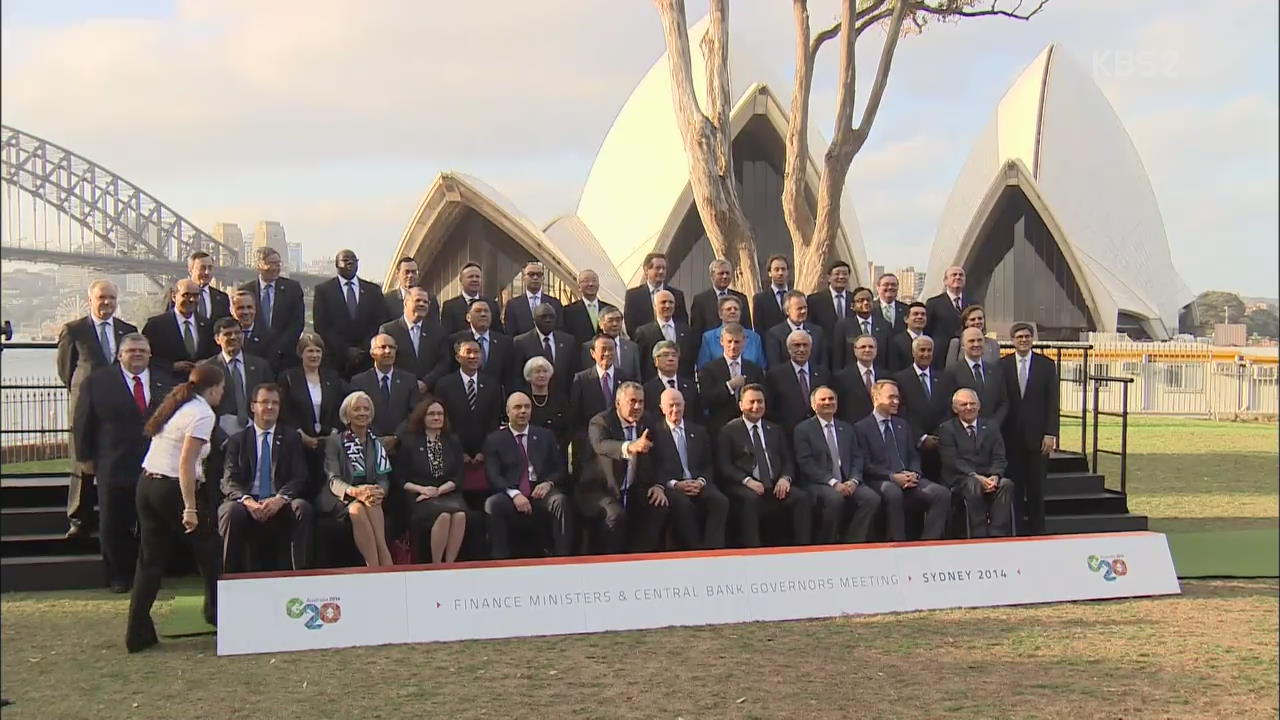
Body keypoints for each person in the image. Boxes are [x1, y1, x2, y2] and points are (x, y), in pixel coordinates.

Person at [126, 363, 224, 653]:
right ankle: (217, 614)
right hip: (170, 487)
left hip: (146, 484)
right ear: (214, 388)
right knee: (209, 550)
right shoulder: (203, 413)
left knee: (150, 560)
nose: (222, 394)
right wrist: (191, 507)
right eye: (221, 389)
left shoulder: (179, 405)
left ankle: (137, 632)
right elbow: (186, 462)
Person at [73, 334, 170, 591]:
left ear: (150, 355)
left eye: (142, 350)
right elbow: (83, 422)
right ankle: (118, 575)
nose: (137, 354)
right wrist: (85, 457)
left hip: (155, 463)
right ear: (120, 355)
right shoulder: (97, 382)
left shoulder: (166, 381)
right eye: (131, 350)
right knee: (113, 522)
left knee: (153, 521)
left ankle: (152, 573)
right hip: (113, 462)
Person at [58, 279, 138, 539]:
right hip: (85, 408)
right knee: (83, 462)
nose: (107, 303)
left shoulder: (128, 330)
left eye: (112, 298)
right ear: (90, 299)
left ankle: (119, 519)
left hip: (118, 409)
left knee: (118, 463)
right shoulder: (74, 330)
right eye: (102, 298)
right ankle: (79, 519)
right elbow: (65, 371)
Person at [218, 383, 314, 572]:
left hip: (279, 500)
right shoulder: (238, 440)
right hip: (247, 502)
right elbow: (229, 480)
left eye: (275, 403)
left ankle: (301, 575)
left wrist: (280, 498)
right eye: (264, 402)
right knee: (230, 511)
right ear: (253, 406)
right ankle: (226, 579)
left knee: (302, 508)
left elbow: (300, 476)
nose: (270, 407)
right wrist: (247, 501)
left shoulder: (291, 438)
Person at [715, 384, 812, 547]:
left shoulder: (774, 429)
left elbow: (788, 459)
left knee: (801, 497)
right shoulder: (729, 430)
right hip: (744, 485)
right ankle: (754, 551)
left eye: (760, 402)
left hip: (774, 484)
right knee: (750, 500)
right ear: (741, 405)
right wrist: (747, 481)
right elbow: (725, 466)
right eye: (751, 402)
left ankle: (802, 549)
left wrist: (785, 479)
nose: (756, 406)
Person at [853, 380, 951, 541]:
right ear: (876, 398)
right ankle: (897, 544)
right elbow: (865, 463)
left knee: (941, 494)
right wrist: (892, 476)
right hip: (880, 479)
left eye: (897, 398)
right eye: (891, 397)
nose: (896, 402)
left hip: (908, 478)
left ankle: (929, 543)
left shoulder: (902, 425)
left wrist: (915, 474)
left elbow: (913, 455)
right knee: (893, 492)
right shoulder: (861, 428)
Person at [483, 392, 573, 558]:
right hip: (511, 491)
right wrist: (514, 494)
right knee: (492, 504)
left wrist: (549, 483)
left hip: (540, 490)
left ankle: (562, 558)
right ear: (508, 411)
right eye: (518, 407)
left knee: (559, 501)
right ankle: (500, 561)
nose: (523, 411)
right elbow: (493, 475)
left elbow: (560, 468)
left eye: (527, 407)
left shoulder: (545, 435)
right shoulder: (495, 440)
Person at [584, 382, 667, 552]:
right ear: (618, 403)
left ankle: (640, 561)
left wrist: (658, 485)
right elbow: (601, 445)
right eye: (632, 401)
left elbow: (660, 457)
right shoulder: (600, 421)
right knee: (616, 516)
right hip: (600, 489)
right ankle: (612, 565)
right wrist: (630, 446)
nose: (637, 407)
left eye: (641, 402)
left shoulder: (648, 421)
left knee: (658, 505)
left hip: (634, 487)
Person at [793, 386, 880, 543]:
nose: (828, 402)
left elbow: (857, 457)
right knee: (835, 499)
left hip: (848, 480)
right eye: (823, 399)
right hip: (819, 482)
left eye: (831, 399)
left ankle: (853, 541)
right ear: (813, 405)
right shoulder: (803, 429)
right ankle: (828, 543)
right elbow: (806, 463)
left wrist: (854, 481)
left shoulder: (847, 428)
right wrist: (833, 482)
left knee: (871, 498)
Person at [321, 391, 394, 567]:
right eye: (357, 409)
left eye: (366, 409)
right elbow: (333, 480)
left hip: (368, 498)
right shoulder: (335, 442)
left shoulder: (377, 443)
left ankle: (383, 554)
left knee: (372, 502)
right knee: (357, 510)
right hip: (341, 497)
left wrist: (380, 491)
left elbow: (383, 478)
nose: (362, 413)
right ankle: (375, 566)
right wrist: (356, 492)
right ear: (347, 415)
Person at [1000, 321, 1059, 535]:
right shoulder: (1003, 365)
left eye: (1027, 336)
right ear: (1012, 340)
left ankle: (1038, 532)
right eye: (1019, 337)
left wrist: (1050, 433)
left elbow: (1052, 402)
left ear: (1032, 339)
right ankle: (1015, 531)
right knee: (1014, 489)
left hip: (1038, 439)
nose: (1023, 340)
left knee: (1036, 489)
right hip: (1011, 437)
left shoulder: (1046, 365)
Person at [651, 388, 728, 549]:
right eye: (671, 405)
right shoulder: (654, 433)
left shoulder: (698, 431)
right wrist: (675, 484)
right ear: (662, 408)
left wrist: (700, 481)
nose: (675, 410)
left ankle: (713, 549)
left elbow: (708, 464)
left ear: (684, 406)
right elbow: (654, 467)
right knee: (683, 505)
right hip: (672, 487)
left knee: (720, 501)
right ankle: (696, 550)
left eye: (678, 405)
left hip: (697, 483)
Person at [397, 397, 468, 563]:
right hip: (419, 494)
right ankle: (437, 564)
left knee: (460, 516)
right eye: (432, 414)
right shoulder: (410, 442)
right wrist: (423, 490)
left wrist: (438, 491)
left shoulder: (452, 441)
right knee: (443, 516)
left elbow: (458, 476)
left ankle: (450, 563)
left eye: (440, 414)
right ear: (423, 417)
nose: (436, 418)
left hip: (447, 492)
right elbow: (401, 478)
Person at [433, 338, 504, 503]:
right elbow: (444, 421)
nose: (473, 356)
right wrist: (459, 451)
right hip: (454, 453)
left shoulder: (492, 384)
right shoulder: (444, 385)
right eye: (468, 352)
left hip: (484, 453)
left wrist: (484, 451)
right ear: (458, 357)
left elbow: (494, 420)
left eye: (477, 352)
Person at [938, 388, 1014, 538]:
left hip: (988, 476)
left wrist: (996, 476)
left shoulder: (991, 427)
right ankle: (978, 532)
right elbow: (951, 460)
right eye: (963, 404)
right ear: (955, 408)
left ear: (979, 406)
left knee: (1006, 484)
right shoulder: (946, 429)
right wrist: (976, 476)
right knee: (973, 484)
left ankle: (996, 532)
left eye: (972, 404)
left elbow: (999, 457)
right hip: (960, 478)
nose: (969, 408)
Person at [278, 332, 348, 492]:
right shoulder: (288, 377)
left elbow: (339, 407)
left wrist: (334, 432)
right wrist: (301, 435)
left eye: (318, 351)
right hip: (298, 443)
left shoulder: (332, 377)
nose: (314, 355)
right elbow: (286, 411)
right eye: (310, 351)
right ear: (300, 353)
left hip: (328, 441)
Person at [313, 249, 389, 378]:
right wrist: (345, 350)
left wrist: (364, 349)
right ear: (337, 265)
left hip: (367, 359)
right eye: (345, 260)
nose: (350, 263)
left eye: (354, 260)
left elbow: (380, 321)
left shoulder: (373, 290)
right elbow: (321, 325)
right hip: (336, 360)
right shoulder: (324, 291)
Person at [349, 333, 422, 451]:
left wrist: (396, 437)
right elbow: (355, 413)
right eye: (383, 347)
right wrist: (379, 439)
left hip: (403, 446)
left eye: (392, 347)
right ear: (372, 353)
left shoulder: (409, 380)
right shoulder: (359, 381)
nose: (388, 351)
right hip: (369, 445)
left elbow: (414, 412)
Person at [892, 335, 948, 483]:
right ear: (913, 352)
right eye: (922, 350)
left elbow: (947, 408)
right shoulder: (900, 378)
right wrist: (921, 437)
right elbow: (901, 410)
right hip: (913, 442)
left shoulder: (943, 377)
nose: (926, 354)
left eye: (929, 350)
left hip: (939, 444)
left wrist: (937, 435)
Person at [240, 246, 305, 369]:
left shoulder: (293, 288)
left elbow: (297, 323)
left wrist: (280, 347)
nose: (276, 268)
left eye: (278, 263)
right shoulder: (246, 290)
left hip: (284, 357)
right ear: (259, 265)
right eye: (271, 263)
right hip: (254, 356)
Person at [569, 334, 621, 478]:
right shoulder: (581, 379)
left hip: (618, 445)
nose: (607, 354)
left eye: (611, 349)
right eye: (603, 349)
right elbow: (575, 416)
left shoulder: (625, 377)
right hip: (590, 445)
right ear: (593, 353)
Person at [379, 287, 450, 393]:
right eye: (417, 300)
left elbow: (444, 362)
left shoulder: (437, 331)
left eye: (425, 302)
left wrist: (426, 383)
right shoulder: (388, 330)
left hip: (430, 392)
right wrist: (409, 383)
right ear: (405, 303)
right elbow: (385, 361)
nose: (422, 304)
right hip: (399, 391)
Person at [142, 278, 215, 380]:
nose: (192, 299)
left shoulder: (208, 325)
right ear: (174, 296)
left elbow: (215, 354)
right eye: (186, 295)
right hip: (168, 386)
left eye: (195, 295)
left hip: (200, 386)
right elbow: (145, 357)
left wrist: (206, 363)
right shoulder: (156, 325)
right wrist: (171, 366)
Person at [698, 323, 765, 432]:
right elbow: (705, 400)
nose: (733, 346)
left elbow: (763, 396)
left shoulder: (754, 369)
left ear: (744, 342)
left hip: (749, 428)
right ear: (721, 342)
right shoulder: (709, 369)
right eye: (729, 341)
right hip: (720, 428)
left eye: (737, 342)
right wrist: (729, 386)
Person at [765, 329, 829, 437]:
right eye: (797, 345)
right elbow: (771, 409)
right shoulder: (775, 376)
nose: (802, 349)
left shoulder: (823, 374)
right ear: (789, 349)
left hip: (818, 434)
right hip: (788, 434)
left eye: (805, 345)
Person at [940, 327, 1009, 427]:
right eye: (971, 341)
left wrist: (993, 424)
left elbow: (1004, 402)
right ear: (963, 346)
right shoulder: (952, 371)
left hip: (992, 432)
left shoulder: (995, 370)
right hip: (963, 432)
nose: (976, 344)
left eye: (979, 340)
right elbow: (947, 405)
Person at [449, 298, 516, 392]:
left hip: (495, 399)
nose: (483, 314)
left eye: (486, 311)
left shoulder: (505, 342)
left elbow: (510, 377)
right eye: (478, 311)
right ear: (468, 317)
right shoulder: (454, 340)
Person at [512, 303, 576, 398]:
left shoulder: (568, 341)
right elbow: (517, 376)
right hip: (533, 399)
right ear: (534, 320)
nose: (548, 320)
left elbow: (572, 372)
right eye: (543, 317)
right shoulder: (521, 342)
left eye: (551, 317)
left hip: (562, 399)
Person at [633, 289, 697, 381]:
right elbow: (641, 363)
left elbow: (690, 360)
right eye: (663, 302)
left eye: (671, 302)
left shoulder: (686, 330)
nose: (667, 305)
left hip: (682, 385)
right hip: (654, 386)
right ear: (654, 306)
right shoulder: (644, 332)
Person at [520, 356, 570, 470]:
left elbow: (568, 426)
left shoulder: (560, 398)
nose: (542, 375)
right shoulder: (522, 398)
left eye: (545, 371)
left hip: (556, 452)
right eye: (537, 372)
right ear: (529, 376)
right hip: (528, 453)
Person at [623, 252, 688, 335]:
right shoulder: (633, 296)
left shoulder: (676, 295)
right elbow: (630, 324)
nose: (661, 271)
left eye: (664, 268)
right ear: (646, 270)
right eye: (657, 268)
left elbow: (682, 322)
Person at [696, 294, 766, 369]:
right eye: (728, 309)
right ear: (720, 314)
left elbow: (761, 367)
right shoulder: (708, 338)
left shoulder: (754, 338)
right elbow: (703, 368)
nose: (733, 311)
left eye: (736, 309)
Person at [831, 286, 892, 370]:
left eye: (869, 300)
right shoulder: (843, 326)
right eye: (861, 300)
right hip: (851, 376)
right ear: (852, 305)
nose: (866, 303)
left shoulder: (884, 325)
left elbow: (890, 356)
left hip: (879, 376)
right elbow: (837, 358)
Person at [690, 258, 752, 339]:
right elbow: (696, 331)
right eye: (721, 273)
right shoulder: (700, 300)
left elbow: (747, 327)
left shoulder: (741, 298)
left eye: (727, 273)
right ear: (712, 276)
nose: (725, 276)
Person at [643, 340, 702, 422]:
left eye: (674, 355)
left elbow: (697, 416)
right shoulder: (648, 389)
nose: (671, 359)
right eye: (665, 355)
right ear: (656, 361)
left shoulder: (690, 387)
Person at [440, 262, 505, 336]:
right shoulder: (450, 306)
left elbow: (499, 333)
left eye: (477, 277)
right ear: (461, 280)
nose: (475, 280)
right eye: (470, 277)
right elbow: (446, 335)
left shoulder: (492, 305)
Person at [766, 291, 826, 369]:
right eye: (799, 308)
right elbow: (774, 366)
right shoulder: (775, 334)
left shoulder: (817, 332)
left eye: (805, 307)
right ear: (787, 311)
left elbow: (823, 364)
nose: (804, 311)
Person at [579, 306, 640, 382]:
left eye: (618, 320)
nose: (615, 324)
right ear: (601, 324)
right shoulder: (588, 347)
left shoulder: (632, 347)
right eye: (610, 321)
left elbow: (637, 377)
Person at [832, 334, 882, 425]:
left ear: (876, 350)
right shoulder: (841, 378)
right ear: (855, 350)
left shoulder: (885, 376)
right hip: (853, 427)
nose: (867, 350)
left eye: (871, 347)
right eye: (863, 347)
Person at [166, 251, 230, 323]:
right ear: (190, 270)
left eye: (210, 268)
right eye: (202, 268)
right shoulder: (178, 294)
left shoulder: (222, 298)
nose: (207, 272)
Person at [925, 265, 968, 369]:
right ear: (945, 281)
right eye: (954, 275)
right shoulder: (933, 303)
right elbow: (927, 330)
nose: (958, 277)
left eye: (961, 275)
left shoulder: (972, 302)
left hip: (966, 354)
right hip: (940, 357)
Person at [504, 261, 564, 336]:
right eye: (531, 274)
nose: (535, 277)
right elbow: (510, 332)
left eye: (539, 275)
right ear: (524, 278)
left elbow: (560, 330)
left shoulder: (554, 303)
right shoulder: (513, 305)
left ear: (543, 278)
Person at [563, 269, 616, 348]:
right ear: (579, 287)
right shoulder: (568, 311)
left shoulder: (610, 309)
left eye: (594, 281)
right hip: (579, 354)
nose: (591, 284)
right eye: (586, 281)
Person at [231, 289, 280, 372]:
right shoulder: (225, 335)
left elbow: (271, 368)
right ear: (232, 311)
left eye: (249, 307)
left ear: (255, 309)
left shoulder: (269, 337)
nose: (246, 312)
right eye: (240, 308)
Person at [383, 256, 440, 324]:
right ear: (397, 274)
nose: (410, 275)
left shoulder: (430, 299)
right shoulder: (387, 300)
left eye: (414, 272)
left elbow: (435, 326)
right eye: (406, 272)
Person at [805, 260, 855, 336]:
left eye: (845, 274)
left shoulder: (854, 299)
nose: (841, 277)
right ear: (829, 277)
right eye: (837, 274)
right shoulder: (814, 300)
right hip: (824, 345)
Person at [944, 305, 1000, 369]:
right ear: (965, 323)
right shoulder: (956, 343)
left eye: (980, 318)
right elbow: (950, 369)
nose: (977, 322)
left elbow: (996, 369)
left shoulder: (993, 344)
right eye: (972, 319)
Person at [751, 254, 792, 336]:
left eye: (783, 269)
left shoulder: (796, 297)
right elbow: (758, 329)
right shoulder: (760, 299)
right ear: (770, 273)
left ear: (787, 272)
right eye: (776, 270)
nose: (780, 273)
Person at [887, 301, 928, 372]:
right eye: (915, 314)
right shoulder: (895, 342)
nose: (920, 317)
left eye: (923, 314)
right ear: (906, 319)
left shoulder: (931, 341)